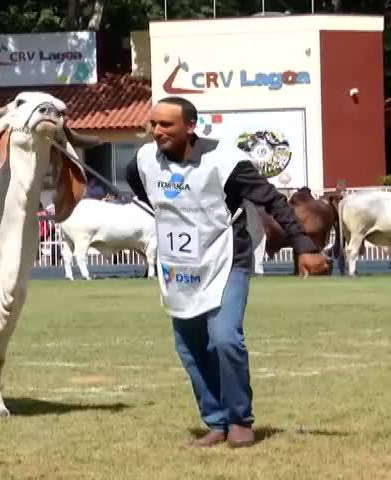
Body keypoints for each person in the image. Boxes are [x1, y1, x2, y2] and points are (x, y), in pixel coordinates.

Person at [125, 96, 328, 449]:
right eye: (153, 124)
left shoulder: (227, 161)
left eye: (166, 125)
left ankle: (239, 420)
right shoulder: (144, 159)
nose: (157, 132)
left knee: (223, 337)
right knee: (189, 346)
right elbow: (136, 182)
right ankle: (216, 421)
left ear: (190, 126)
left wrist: (304, 245)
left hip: (226, 259)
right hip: (178, 265)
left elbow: (273, 200)